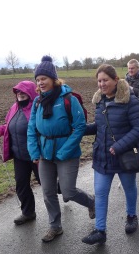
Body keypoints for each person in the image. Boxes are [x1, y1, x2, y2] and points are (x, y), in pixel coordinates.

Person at [27, 55, 95, 243]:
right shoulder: (37, 102)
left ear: (54, 80)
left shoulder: (68, 99)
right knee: (48, 192)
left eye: (44, 79)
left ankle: (92, 201)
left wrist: (64, 151)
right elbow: (32, 128)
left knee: (68, 192)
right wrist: (34, 151)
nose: (40, 83)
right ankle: (55, 226)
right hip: (45, 154)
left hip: (67, 153)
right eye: (38, 79)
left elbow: (80, 126)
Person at [81, 64, 139, 245]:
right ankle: (100, 230)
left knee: (129, 188)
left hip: (124, 156)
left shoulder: (129, 100)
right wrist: (83, 130)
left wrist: (119, 146)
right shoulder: (100, 101)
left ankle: (132, 216)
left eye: (105, 80)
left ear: (116, 80)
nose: (102, 84)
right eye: (99, 81)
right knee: (101, 193)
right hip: (102, 155)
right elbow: (101, 126)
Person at [0, 81, 41, 225]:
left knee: (47, 183)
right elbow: (8, 125)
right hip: (19, 156)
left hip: (36, 155)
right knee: (21, 184)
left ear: (31, 92)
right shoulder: (14, 107)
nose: (19, 94)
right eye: (17, 91)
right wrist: (0, 130)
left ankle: (68, 192)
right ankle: (28, 212)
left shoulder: (36, 108)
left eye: (23, 91)